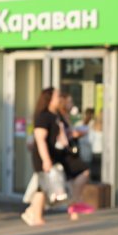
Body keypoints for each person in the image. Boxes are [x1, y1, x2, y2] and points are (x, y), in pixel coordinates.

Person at [23, 87, 91, 225]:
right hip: (45, 155)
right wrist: (46, 159)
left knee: (44, 186)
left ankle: (33, 213)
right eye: (56, 96)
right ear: (50, 99)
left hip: (56, 154)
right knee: (42, 186)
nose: (59, 99)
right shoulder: (43, 116)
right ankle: (35, 215)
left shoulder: (56, 116)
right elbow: (40, 139)